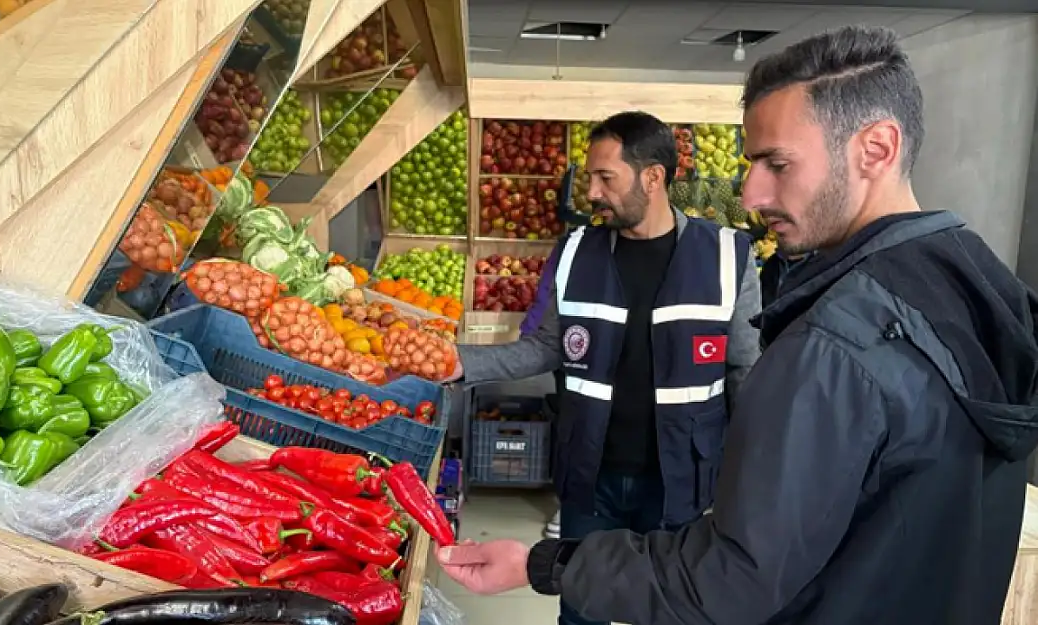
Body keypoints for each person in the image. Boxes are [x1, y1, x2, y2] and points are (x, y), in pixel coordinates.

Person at [435, 25, 1038, 625]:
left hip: (683, 480)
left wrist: (543, 566)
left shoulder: (832, 338)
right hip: (597, 471)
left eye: (777, 163)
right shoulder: (985, 289)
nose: (749, 194)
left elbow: (729, 578)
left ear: (875, 148)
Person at [449, 110, 763, 625]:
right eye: (590, 176)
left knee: (671, 609)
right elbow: (544, 347)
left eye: (605, 178)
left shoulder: (728, 256)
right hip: (590, 475)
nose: (591, 192)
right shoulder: (577, 251)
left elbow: (745, 374)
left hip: (680, 481)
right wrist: (457, 361)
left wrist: (748, 478)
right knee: (580, 609)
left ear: (653, 177)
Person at [515, 245, 562, 539]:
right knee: (577, 419)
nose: (594, 194)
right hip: (575, 345)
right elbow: (550, 286)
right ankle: (571, 502)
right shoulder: (578, 243)